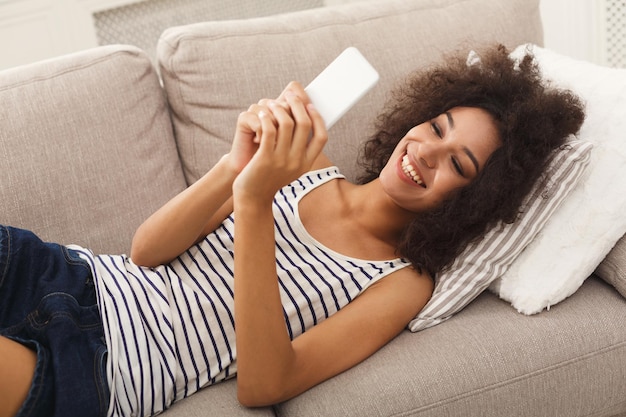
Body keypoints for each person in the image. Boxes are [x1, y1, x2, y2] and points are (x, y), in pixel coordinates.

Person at [0, 44, 584, 417]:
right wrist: (236, 165)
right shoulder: (302, 169)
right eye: (436, 127)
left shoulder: (402, 282)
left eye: (458, 164)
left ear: (473, 198)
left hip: (105, 366)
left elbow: (264, 383)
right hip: (70, 276)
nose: (427, 152)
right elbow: (146, 251)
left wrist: (254, 203)